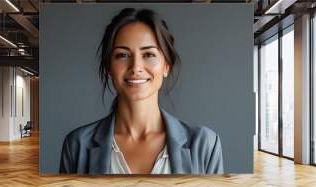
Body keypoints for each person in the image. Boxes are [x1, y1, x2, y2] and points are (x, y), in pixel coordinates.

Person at [60, 8, 223, 174]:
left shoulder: (205, 144)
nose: (136, 67)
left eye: (149, 54)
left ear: (166, 66)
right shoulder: (77, 144)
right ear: (109, 67)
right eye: (122, 55)